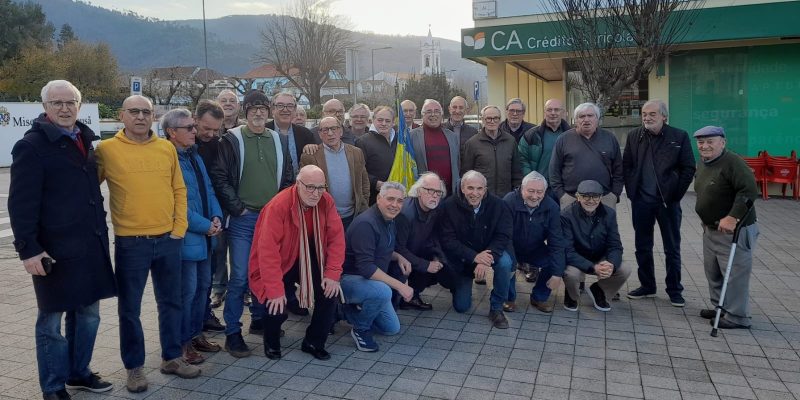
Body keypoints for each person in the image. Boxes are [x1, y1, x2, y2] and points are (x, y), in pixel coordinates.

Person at [9, 80, 116, 400]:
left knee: (88, 313)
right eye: (57, 103)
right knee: (51, 321)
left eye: (70, 102)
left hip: (89, 243)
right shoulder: (31, 145)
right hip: (52, 250)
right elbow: (21, 204)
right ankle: (53, 386)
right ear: (45, 107)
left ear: (79, 106)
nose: (65, 108)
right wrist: (29, 249)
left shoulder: (84, 139)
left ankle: (78, 372)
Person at [96, 95, 200, 392]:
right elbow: (87, 190)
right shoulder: (107, 150)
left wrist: (179, 228)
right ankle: (135, 368)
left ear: (153, 116)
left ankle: (171, 357)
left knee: (171, 302)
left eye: (146, 112)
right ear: (122, 115)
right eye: (134, 111)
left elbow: (178, 189)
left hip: (168, 240)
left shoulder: (166, 148)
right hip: (131, 243)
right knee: (129, 309)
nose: (140, 117)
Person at [209, 89, 293, 358]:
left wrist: (279, 209)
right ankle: (233, 331)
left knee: (265, 271)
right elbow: (220, 177)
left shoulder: (278, 140)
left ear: (268, 112)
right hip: (243, 220)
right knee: (241, 276)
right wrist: (238, 208)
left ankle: (259, 319)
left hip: (271, 220)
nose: (258, 113)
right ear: (245, 112)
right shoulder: (231, 139)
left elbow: (289, 177)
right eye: (253, 108)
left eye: (262, 108)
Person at [249, 165, 345, 359]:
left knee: (329, 293)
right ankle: (272, 341)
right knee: (273, 300)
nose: (316, 193)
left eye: (320, 187)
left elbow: (337, 238)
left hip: (310, 254)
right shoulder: (279, 205)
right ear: (297, 184)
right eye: (310, 187)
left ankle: (313, 341)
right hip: (282, 257)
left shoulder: (326, 201)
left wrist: (333, 274)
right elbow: (268, 251)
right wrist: (275, 291)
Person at [163, 109, 224, 365]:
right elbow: (173, 202)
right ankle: (182, 343)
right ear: (171, 132)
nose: (194, 131)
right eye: (188, 128)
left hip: (205, 234)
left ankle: (196, 334)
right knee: (186, 294)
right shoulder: (167, 159)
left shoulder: (194, 155)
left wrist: (217, 216)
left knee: (202, 290)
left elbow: (208, 189)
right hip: (187, 237)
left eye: (193, 127)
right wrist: (204, 225)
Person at [623, 100, 696, 307]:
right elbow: (627, 165)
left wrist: (675, 195)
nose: (647, 117)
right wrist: (632, 194)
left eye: (652, 114)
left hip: (668, 203)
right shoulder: (634, 136)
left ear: (664, 116)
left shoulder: (678, 136)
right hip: (641, 202)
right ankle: (647, 286)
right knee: (642, 246)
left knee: (672, 248)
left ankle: (674, 289)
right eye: (644, 114)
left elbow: (688, 168)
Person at [693, 126, 759, 329]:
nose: (705, 146)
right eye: (701, 142)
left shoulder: (733, 162)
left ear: (722, 142)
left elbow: (749, 190)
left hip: (733, 231)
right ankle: (721, 307)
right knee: (713, 271)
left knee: (734, 273)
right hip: (711, 229)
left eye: (710, 141)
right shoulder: (705, 162)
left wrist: (732, 217)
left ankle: (737, 316)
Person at [341, 182, 414, 352]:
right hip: (347, 280)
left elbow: (382, 249)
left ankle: (344, 312)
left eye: (399, 201)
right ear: (379, 199)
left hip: (367, 281)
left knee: (391, 329)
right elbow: (366, 268)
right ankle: (361, 328)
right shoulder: (366, 223)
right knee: (383, 291)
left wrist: (398, 256)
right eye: (390, 199)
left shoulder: (390, 219)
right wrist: (400, 286)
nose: (395, 205)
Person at [439, 171, 514, 328]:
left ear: (485, 189)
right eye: (470, 188)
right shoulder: (448, 206)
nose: (475, 193)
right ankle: (458, 286)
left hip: (489, 252)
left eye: (479, 188)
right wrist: (474, 257)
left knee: (506, 263)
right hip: (463, 258)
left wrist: (486, 258)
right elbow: (448, 240)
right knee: (461, 307)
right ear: (462, 188)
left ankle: (497, 307)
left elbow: (503, 234)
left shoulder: (498, 205)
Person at [394, 172, 467, 311]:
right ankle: (405, 297)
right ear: (419, 191)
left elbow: (434, 235)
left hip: (421, 251)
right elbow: (399, 249)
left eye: (438, 192)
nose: (434, 195)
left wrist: (437, 257)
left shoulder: (436, 208)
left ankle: (415, 292)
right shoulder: (405, 214)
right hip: (399, 260)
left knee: (448, 270)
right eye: (430, 190)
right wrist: (426, 265)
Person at [561, 180, 630, 312]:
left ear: (601, 197)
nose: (591, 201)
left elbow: (615, 245)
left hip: (600, 256)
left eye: (595, 197)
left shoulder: (609, 214)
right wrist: (593, 267)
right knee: (571, 274)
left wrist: (611, 264)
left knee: (624, 269)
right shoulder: (566, 215)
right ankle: (572, 295)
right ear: (578, 197)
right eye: (586, 196)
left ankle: (599, 290)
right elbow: (567, 251)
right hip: (576, 258)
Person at [503, 172, 566, 312]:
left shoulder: (552, 207)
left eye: (539, 192)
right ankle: (508, 297)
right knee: (506, 263)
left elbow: (556, 241)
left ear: (545, 191)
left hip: (534, 247)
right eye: (530, 191)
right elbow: (504, 236)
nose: (535, 196)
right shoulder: (509, 201)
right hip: (511, 246)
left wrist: (557, 274)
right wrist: (512, 265)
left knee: (553, 262)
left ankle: (539, 297)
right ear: (522, 189)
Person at [193, 100, 227, 333]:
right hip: (190, 218)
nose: (211, 134)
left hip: (214, 214)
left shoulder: (218, 144)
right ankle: (194, 320)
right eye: (206, 128)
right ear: (195, 120)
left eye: (216, 130)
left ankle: (204, 314)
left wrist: (217, 214)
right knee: (191, 278)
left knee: (210, 268)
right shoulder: (182, 144)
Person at [300, 116, 370, 230]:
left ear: (341, 131)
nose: (330, 133)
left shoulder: (356, 153)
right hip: (325, 217)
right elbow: (304, 189)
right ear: (320, 134)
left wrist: (363, 204)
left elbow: (364, 182)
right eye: (325, 130)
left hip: (353, 216)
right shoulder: (310, 156)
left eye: (334, 128)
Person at [549, 102, 622, 210]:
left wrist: (614, 195)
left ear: (597, 119)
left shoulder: (609, 138)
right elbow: (553, 170)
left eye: (590, 116)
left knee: (603, 227)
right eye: (582, 116)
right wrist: (562, 195)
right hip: (571, 198)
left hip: (604, 198)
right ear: (575, 120)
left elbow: (619, 170)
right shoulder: (563, 139)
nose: (586, 119)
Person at [210, 89, 243, 309]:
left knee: (240, 249)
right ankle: (219, 289)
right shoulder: (211, 129)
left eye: (233, 101)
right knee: (218, 248)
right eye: (224, 101)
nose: (229, 104)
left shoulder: (245, 129)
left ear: (239, 106)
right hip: (217, 199)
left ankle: (243, 289)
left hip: (241, 199)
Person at [462, 105, 522, 196]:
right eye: (488, 118)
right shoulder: (472, 143)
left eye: (495, 118)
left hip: (505, 197)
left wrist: (516, 193)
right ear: (482, 120)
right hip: (481, 197)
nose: (492, 121)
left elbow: (516, 172)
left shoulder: (510, 141)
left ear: (500, 119)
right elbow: (466, 173)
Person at [409, 99, 460, 194]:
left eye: (437, 111)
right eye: (429, 111)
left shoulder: (452, 136)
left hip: (450, 194)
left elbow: (457, 164)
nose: (433, 114)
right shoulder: (411, 136)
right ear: (422, 115)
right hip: (424, 194)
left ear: (441, 115)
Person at [518, 99, 570, 180]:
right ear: (544, 112)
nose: (553, 113)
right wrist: (531, 178)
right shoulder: (531, 135)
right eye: (549, 110)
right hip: (539, 188)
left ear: (563, 112)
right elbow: (522, 158)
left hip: (564, 186)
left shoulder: (572, 135)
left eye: (556, 110)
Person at [355, 105, 398, 204]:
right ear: (373, 120)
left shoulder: (400, 141)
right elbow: (358, 170)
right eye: (380, 120)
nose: (383, 124)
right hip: (375, 197)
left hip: (397, 195)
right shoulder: (362, 142)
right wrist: (376, 183)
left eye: (387, 121)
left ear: (393, 122)